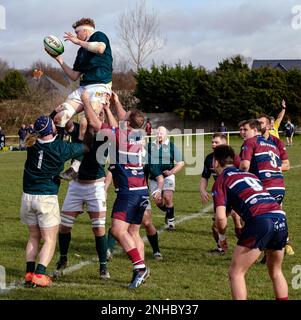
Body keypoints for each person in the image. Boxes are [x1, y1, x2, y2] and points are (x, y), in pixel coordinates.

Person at [82, 90, 150, 289]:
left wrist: (86, 101)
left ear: (127, 123)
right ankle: (139, 271)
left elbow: (96, 124)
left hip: (127, 192)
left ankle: (140, 267)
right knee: (134, 233)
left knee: (119, 231)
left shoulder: (119, 134)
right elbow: (123, 120)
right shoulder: (139, 135)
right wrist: (113, 104)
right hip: (142, 190)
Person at [212, 144, 288, 300]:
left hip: (260, 220)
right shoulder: (251, 176)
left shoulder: (221, 180)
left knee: (236, 273)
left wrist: (221, 238)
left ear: (215, 162)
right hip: (280, 217)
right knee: (276, 271)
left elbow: (220, 217)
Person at [20, 115, 86, 287]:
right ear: (53, 129)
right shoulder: (60, 147)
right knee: (49, 239)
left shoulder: (31, 143)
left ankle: (29, 274)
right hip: (46, 198)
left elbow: (42, 126)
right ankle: (40, 275)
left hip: (27, 197)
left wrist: (53, 115)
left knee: (34, 237)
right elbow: (84, 148)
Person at [47, 17, 113, 180]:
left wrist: (77, 41)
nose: (76, 35)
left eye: (77, 32)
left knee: (86, 122)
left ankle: (75, 166)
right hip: (83, 87)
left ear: (86, 30)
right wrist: (59, 59)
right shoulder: (81, 51)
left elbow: (99, 49)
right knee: (60, 116)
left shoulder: (99, 35)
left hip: (100, 86)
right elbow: (74, 76)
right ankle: (56, 156)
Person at [55, 108, 112, 280]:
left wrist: (105, 188)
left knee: (98, 228)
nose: (97, 117)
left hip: (95, 186)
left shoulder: (105, 136)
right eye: (94, 114)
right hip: (76, 185)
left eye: (100, 115)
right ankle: (63, 259)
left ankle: (103, 266)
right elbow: (66, 123)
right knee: (64, 227)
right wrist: (67, 110)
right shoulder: (79, 129)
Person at [200, 133, 242, 255]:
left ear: (224, 143)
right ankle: (221, 248)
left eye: (216, 142)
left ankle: (246, 250)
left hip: (235, 194)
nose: (213, 144)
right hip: (222, 195)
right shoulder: (209, 158)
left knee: (238, 220)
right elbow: (204, 176)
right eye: (212, 142)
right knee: (215, 226)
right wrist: (202, 190)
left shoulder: (234, 158)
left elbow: (244, 171)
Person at [147, 126, 185, 231]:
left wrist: (171, 171)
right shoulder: (149, 146)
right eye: (157, 133)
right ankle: (168, 211)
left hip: (168, 177)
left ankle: (171, 223)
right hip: (154, 178)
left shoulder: (171, 146)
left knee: (168, 197)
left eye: (161, 133)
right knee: (158, 201)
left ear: (166, 135)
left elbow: (181, 162)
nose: (159, 135)